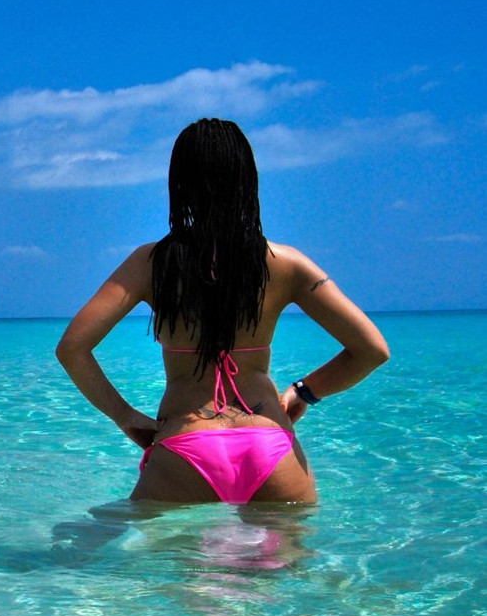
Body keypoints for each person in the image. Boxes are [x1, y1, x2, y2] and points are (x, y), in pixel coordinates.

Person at [55, 118, 389, 504]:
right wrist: (304, 392)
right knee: (288, 547)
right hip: (269, 444)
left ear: (179, 184)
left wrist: (124, 415)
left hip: (185, 444)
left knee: (145, 546)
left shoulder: (151, 264)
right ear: (248, 180)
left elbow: (72, 349)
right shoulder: (286, 264)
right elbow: (372, 350)